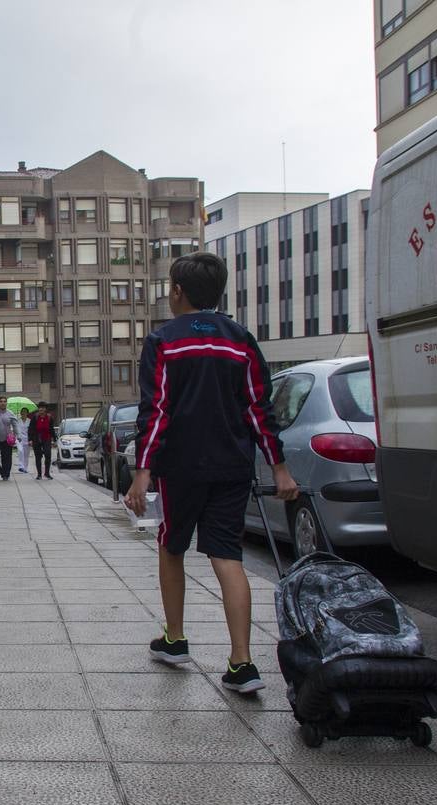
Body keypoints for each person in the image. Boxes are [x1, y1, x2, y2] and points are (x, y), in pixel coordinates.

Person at [124, 251, 298, 694]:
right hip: (232, 465)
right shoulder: (240, 339)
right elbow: (260, 408)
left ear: (177, 291)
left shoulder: (163, 341)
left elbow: (156, 411)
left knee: (172, 546)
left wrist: (142, 471)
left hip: (180, 467)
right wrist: (280, 469)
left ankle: (176, 639)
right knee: (227, 556)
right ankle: (242, 663)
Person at [29, 403, 54, 479]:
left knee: (48, 455)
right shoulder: (35, 417)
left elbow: (51, 429)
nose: (41, 409)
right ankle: (39, 474)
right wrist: (30, 439)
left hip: (47, 438)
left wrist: (54, 439)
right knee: (38, 456)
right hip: (36, 438)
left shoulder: (49, 417)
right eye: (40, 408)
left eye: (43, 408)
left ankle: (47, 473)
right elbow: (31, 429)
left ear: (45, 409)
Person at [15, 408, 31, 475]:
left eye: (25, 412)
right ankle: (21, 466)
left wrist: (31, 439)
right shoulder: (17, 421)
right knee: (20, 451)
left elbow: (31, 431)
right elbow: (15, 429)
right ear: (20, 413)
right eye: (22, 412)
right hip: (19, 439)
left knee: (26, 455)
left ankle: (25, 468)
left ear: (27, 413)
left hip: (27, 439)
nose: (23, 413)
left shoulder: (30, 421)